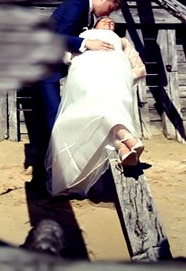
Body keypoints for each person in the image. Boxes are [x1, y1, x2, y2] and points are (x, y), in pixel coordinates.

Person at [45, 16, 146, 197]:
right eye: (104, 20)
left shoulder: (122, 41)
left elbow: (139, 68)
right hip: (86, 75)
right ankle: (125, 142)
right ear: (94, 24)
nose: (109, 22)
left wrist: (122, 77)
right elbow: (66, 55)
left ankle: (124, 145)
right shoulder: (84, 36)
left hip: (113, 76)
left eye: (112, 22)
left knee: (102, 107)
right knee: (74, 120)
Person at [30, 0, 121, 188]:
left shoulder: (84, 12)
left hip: (50, 69)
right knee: (55, 121)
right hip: (44, 68)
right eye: (109, 8)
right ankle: (59, 175)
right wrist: (87, 42)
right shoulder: (79, 4)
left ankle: (44, 178)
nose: (108, 14)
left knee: (48, 123)